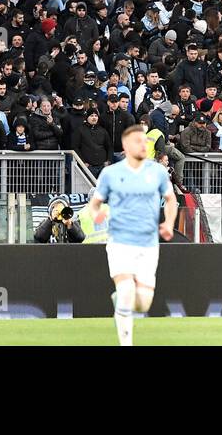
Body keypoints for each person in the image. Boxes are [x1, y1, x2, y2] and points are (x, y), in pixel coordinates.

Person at [87, 124, 178, 346]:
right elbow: (94, 204)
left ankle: (120, 299)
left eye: (145, 141)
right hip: (120, 241)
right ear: (126, 146)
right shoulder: (111, 173)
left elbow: (171, 200)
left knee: (143, 304)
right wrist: (97, 215)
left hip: (148, 243)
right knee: (127, 289)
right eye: (139, 141)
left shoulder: (157, 171)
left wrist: (169, 222)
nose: (144, 145)